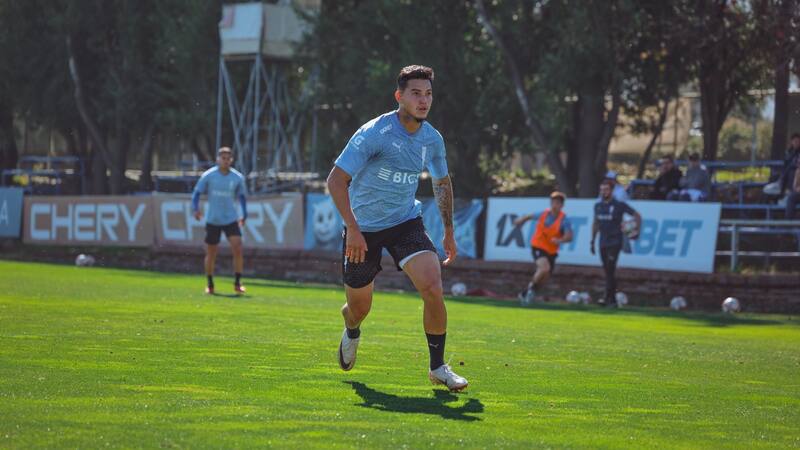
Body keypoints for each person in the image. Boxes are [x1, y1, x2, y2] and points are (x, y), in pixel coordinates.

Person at [326, 65, 467, 391]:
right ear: (399, 96)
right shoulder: (375, 133)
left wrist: (448, 230)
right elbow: (336, 180)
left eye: (428, 93)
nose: (423, 100)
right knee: (359, 308)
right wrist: (353, 228)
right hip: (364, 228)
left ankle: (438, 367)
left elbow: (442, 182)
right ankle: (351, 329)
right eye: (416, 93)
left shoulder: (432, 139)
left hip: (405, 222)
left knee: (432, 285)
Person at [191, 147, 248, 295]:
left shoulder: (237, 177)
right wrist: (195, 209)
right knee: (211, 252)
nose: (225, 160)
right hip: (213, 219)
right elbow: (196, 193)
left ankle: (237, 282)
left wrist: (244, 214)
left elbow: (242, 197)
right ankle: (210, 284)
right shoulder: (209, 175)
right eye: (223, 157)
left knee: (238, 247)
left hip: (230, 218)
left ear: (232, 160)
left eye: (228, 158)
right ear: (217, 159)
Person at [513, 191, 573, 304]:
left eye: (557, 203)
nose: (554, 205)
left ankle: (526, 293)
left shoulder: (564, 220)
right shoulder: (543, 214)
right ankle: (530, 290)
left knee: (545, 276)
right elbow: (529, 216)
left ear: (562, 205)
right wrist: (520, 221)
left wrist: (560, 240)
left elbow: (569, 236)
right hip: (538, 245)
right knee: (544, 268)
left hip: (552, 250)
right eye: (553, 202)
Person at [591, 180, 642, 306]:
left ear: (612, 190)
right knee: (608, 271)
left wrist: (635, 231)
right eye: (602, 189)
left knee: (610, 268)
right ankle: (612, 299)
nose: (604, 192)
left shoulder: (619, 205)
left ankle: (607, 298)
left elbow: (637, 215)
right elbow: (596, 223)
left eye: (606, 189)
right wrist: (592, 240)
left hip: (615, 241)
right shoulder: (598, 206)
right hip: (602, 241)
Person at [779, 133, 800, 219]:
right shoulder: (797, 170)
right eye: (794, 141)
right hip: (796, 192)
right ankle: (788, 224)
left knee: (791, 197)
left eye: (798, 141)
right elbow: (795, 185)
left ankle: (787, 224)